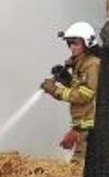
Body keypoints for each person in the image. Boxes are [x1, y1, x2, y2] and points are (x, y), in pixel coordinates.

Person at [41, 21, 100, 166]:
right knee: (76, 167)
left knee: (78, 168)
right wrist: (66, 79)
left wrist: (56, 90)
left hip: (90, 129)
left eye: (75, 43)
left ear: (87, 43)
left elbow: (84, 95)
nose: (71, 47)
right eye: (69, 44)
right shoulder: (81, 63)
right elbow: (79, 87)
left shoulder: (92, 64)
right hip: (82, 126)